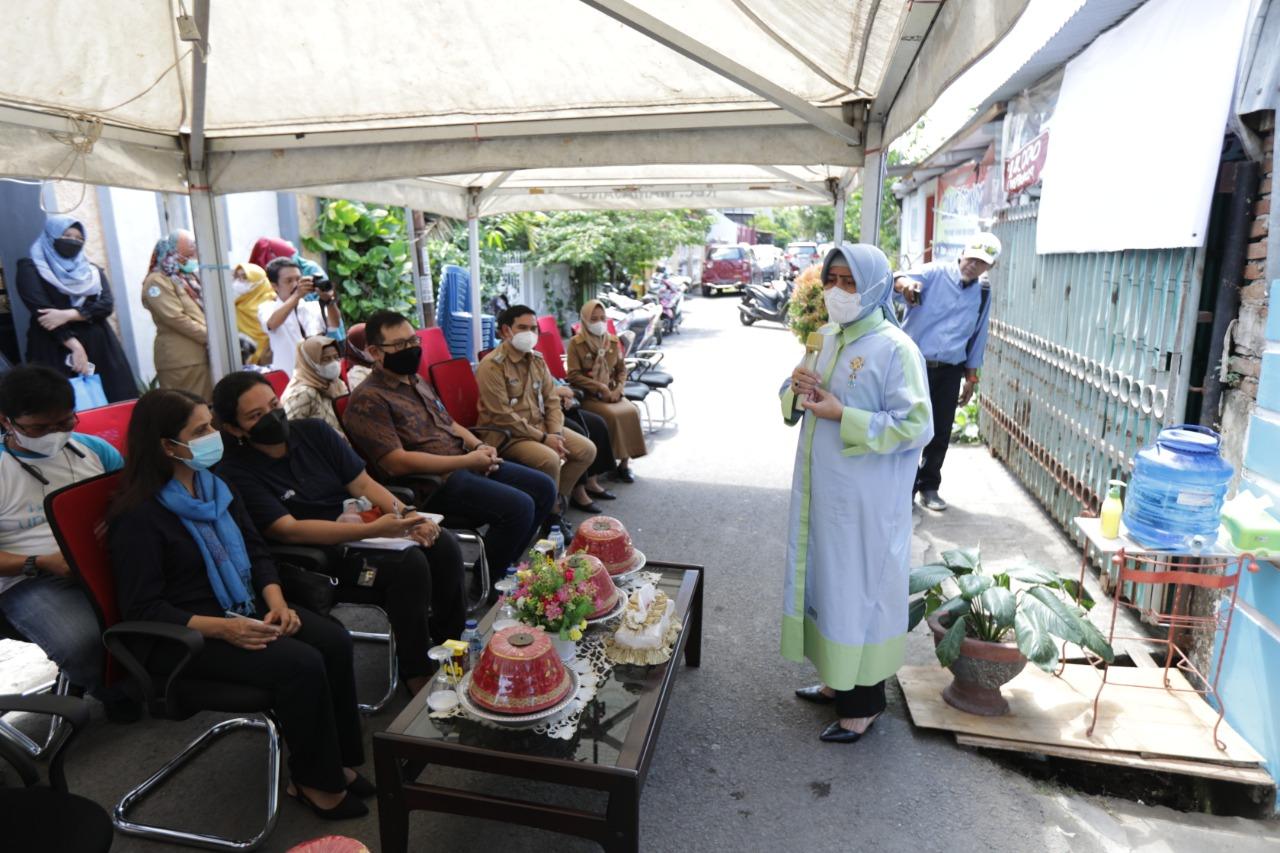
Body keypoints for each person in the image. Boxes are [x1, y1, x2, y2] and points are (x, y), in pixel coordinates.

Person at [108, 389, 370, 819]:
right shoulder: (138, 516)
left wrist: (277, 601)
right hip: (187, 634)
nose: (214, 436)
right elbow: (142, 608)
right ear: (166, 446)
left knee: (333, 639)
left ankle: (334, 763)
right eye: (201, 430)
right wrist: (226, 628)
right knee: (300, 663)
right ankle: (313, 782)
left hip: (244, 604)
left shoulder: (217, 485)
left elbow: (257, 551)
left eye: (211, 424)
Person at [212, 371, 465, 695]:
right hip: (316, 557)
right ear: (234, 428)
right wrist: (377, 527)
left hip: (364, 531)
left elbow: (363, 484)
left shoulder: (314, 433)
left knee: (442, 543)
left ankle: (451, 643)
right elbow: (288, 530)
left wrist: (409, 515)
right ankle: (416, 673)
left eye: (274, 405)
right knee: (409, 566)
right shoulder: (237, 470)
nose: (272, 417)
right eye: (256, 415)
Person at [783, 244, 933, 743]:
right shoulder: (826, 336)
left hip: (867, 500)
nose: (837, 292)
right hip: (823, 491)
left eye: (849, 282)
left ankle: (865, 703)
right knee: (828, 584)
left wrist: (841, 414)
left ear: (874, 286)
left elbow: (916, 425)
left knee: (860, 590)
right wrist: (795, 385)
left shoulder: (896, 348)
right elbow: (796, 399)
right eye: (831, 281)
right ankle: (835, 678)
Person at [342, 311, 556, 590]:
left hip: (463, 463)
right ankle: (488, 582)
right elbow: (396, 463)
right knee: (520, 507)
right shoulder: (369, 400)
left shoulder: (415, 381)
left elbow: (450, 424)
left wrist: (479, 446)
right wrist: (466, 459)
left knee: (544, 487)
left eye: (412, 341)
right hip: (431, 485)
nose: (410, 350)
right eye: (399, 345)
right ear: (374, 352)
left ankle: (501, 563)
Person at [0, 366, 137, 719]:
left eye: (64, 423)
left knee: (163, 602)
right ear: (7, 421)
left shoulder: (93, 451)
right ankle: (111, 689)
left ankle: (146, 675)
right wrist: (40, 562)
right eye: (39, 428)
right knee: (81, 642)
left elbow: (130, 506)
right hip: (29, 575)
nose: (54, 435)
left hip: (103, 559)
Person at [892, 233, 1001, 512]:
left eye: (981, 262)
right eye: (971, 257)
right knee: (906, 426)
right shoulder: (933, 272)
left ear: (990, 267)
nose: (973, 265)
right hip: (914, 366)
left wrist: (971, 377)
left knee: (939, 431)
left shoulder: (983, 291)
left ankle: (929, 487)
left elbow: (979, 334)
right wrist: (906, 286)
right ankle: (901, 488)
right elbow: (895, 280)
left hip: (951, 370)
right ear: (962, 252)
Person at [477, 305, 596, 526]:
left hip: (540, 428)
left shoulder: (537, 360)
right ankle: (552, 517)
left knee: (586, 450)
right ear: (505, 331)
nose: (529, 334)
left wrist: (556, 433)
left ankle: (552, 501)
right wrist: (544, 439)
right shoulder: (492, 366)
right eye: (522, 327)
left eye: (534, 328)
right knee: (550, 459)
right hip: (507, 436)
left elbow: (552, 400)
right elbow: (503, 415)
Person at [16, 215, 136, 402]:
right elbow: (43, 311)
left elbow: (106, 304)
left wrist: (68, 314)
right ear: (51, 236)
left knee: (113, 399)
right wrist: (75, 346)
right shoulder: (30, 268)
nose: (74, 241)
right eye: (67, 235)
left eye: (79, 238)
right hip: (54, 345)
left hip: (99, 346)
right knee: (60, 403)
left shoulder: (92, 272)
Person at [566, 299, 646, 484]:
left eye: (602, 318)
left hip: (613, 393)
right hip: (590, 395)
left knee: (632, 411)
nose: (599, 322)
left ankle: (624, 464)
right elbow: (573, 375)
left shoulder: (612, 341)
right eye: (594, 319)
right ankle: (608, 463)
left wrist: (619, 388)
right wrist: (599, 387)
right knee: (611, 416)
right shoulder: (576, 344)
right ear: (585, 320)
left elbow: (621, 370)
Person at [141, 230, 212, 399]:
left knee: (208, 406)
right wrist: (211, 337)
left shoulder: (184, 278)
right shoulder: (156, 281)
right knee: (189, 409)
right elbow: (175, 318)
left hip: (200, 355)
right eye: (186, 255)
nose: (191, 259)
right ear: (170, 252)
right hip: (182, 361)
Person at [258, 257, 342, 376]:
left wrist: (329, 301)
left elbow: (334, 324)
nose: (296, 284)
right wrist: (297, 295)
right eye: (289, 281)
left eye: (298, 279)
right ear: (274, 286)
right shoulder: (267, 307)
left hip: (320, 376)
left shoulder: (313, 306)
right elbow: (272, 323)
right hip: (290, 379)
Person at [555, 383, 618, 513]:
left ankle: (591, 481)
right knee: (579, 431)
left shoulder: (538, 363)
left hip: (561, 406)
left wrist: (566, 394)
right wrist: (555, 394)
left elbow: (557, 383)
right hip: (548, 410)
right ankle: (578, 491)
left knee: (597, 424)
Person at [281, 336, 346, 434]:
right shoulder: (302, 394)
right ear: (310, 362)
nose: (334, 363)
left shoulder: (336, 383)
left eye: (336, 357)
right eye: (326, 359)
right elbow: (290, 432)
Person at [232, 262, 275, 367]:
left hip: (266, 355)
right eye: (238, 277)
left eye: (245, 277)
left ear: (258, 281)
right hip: (243, 354)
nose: (240, 282)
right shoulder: (238, 301)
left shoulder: (271, 302)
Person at [342, 323, 376, 391]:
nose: (374, 348)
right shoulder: (356, 374)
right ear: (355, 348)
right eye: (368, 345)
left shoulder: (378, 361)